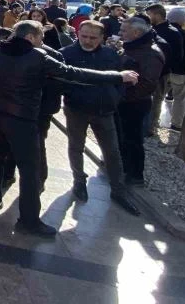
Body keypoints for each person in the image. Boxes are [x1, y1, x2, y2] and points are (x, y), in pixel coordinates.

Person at [0, 20, 138, 236]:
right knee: (30, 171)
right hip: (23, 121)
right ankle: (29, 221)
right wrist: (118, 76)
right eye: (40, 38)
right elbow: (75, 73)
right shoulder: (38, 57)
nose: (42, 43)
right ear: (31, 37)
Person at [60, 20, 140, 215]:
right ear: (78, 33)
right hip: (77, 110)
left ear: (102, 38)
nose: (87, 41)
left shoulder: (110, 55)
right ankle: (79, 181)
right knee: (76, 146)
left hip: (105, 111)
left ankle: (118, 190)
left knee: (112, 152)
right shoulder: (66, 54)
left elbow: (118, 80)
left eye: (93, 38)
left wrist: (115, 97)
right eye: (84, 36)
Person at [117, 17, 165, 186]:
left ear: (136, 33)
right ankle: (122, 168)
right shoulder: (132, 47)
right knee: (121, 138)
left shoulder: (151, 53)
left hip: (134, 104)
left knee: (133, 140)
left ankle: (135, 175)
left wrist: (123, 97)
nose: (120, 33)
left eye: (123, 30)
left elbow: (147, 84)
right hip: (123, 101)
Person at [145, 3, 183, 135]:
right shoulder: (149, 29)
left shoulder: (172, 32)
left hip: (161, 73)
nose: (148, 17)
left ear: (157, 15)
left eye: (149, 14)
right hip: (146, 71)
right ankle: (144, 125)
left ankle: (151, 127)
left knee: (156, 100)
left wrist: (165, 67)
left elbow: (178, 55)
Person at [165, 7, 185, 130]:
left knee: (157, 97)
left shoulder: (163, 31)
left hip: (164, 69)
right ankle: (176, 124)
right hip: (180, 70)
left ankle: (151, 123)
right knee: (180, 98)